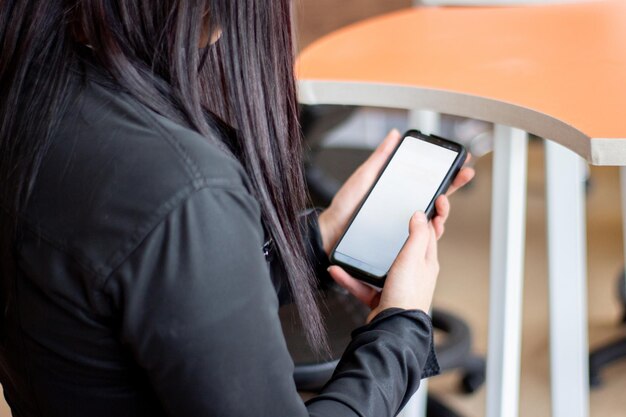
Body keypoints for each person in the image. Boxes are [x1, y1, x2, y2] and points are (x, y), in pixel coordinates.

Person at [0, 1, 474, 416]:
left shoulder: (29, 90)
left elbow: (160, 291)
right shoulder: (186, 190)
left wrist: (321, 235)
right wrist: (402, 327)